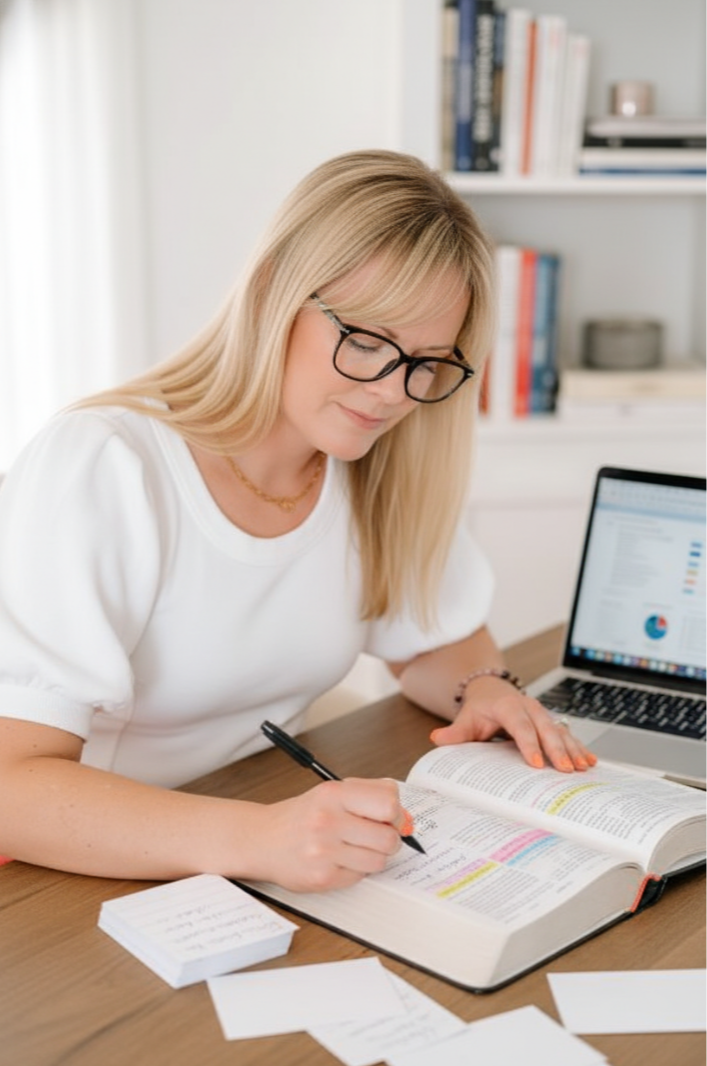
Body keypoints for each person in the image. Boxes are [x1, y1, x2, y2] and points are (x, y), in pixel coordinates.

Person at [0, 150, 595, 891]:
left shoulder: (368, 466)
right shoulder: (104, 464)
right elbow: (12, 787)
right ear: (273, 291)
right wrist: (262, 838)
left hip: (237, 834)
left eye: (426, 363)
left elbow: (435, 639)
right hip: (71, 865)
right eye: (367, 341)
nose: (390, 393)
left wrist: (483, 687)